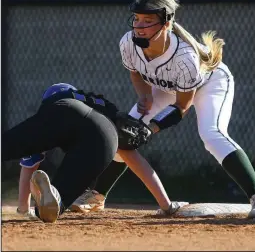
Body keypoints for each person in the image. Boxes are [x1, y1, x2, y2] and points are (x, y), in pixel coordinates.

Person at [74, 0, 255, 219]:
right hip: (167, 86)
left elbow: (182, 106)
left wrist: (151, 128)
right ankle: (97, 196)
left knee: (211, 134)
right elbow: (136, 74)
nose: (139, 26)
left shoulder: (184, 56)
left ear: (166, 23)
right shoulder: (128, 42)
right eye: (137, 19)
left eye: (148, 21)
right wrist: (144, 96)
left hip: (210, 83)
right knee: (125, 133)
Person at [3, 82, 187, 223]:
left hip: (64, 110)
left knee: (7, 146)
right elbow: (135, 160)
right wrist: (166, 205)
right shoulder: (106, 107)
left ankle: (39, 201)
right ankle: (56, 197)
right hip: (105, 137)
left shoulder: (55, 102)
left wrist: (22, 208)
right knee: (60, 198)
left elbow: (30, 162)